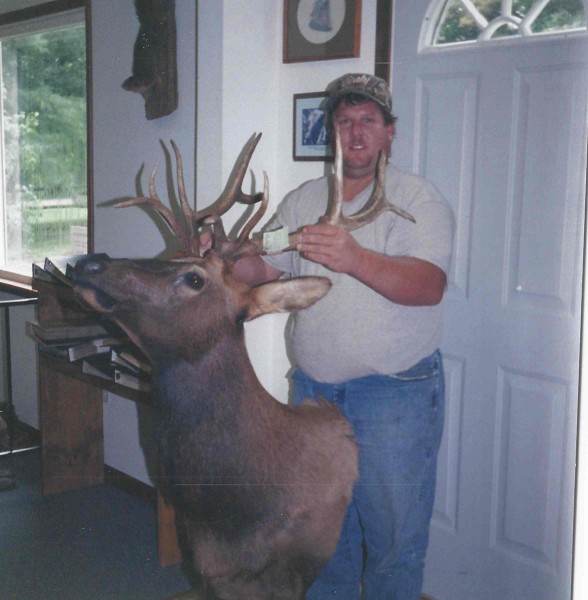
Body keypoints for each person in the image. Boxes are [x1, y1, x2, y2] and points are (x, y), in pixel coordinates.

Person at [234, 73, 455, 599]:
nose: (355, 134)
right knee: (322, 540)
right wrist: (221, 259)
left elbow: (428, 286)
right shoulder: (304, 199)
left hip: (393, 394)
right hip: (314, 396)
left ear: (388, 132)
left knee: (392, 546)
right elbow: (266, 268)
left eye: (368, 122)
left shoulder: (418, 199)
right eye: (344, 122)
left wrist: (353, 258)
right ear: (330, 131)